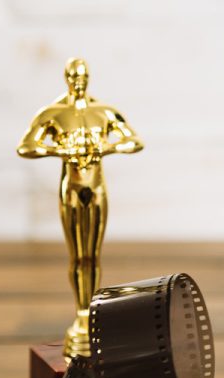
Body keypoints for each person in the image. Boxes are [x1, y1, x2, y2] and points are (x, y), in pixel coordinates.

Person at [18, 58, 144, 358]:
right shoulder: (54, 114)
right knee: (77, 256)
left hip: (96, 187)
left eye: (82, 76)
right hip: (72, 189)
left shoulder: (103, 112)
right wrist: (61, 150)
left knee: (93, 255)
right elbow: (26, 146)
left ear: (88, 78)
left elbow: (134, 140)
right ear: (67, 79)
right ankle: (82, 314)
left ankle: (90, 316)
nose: (79, 82)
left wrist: (106, 147)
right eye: (74, 77)